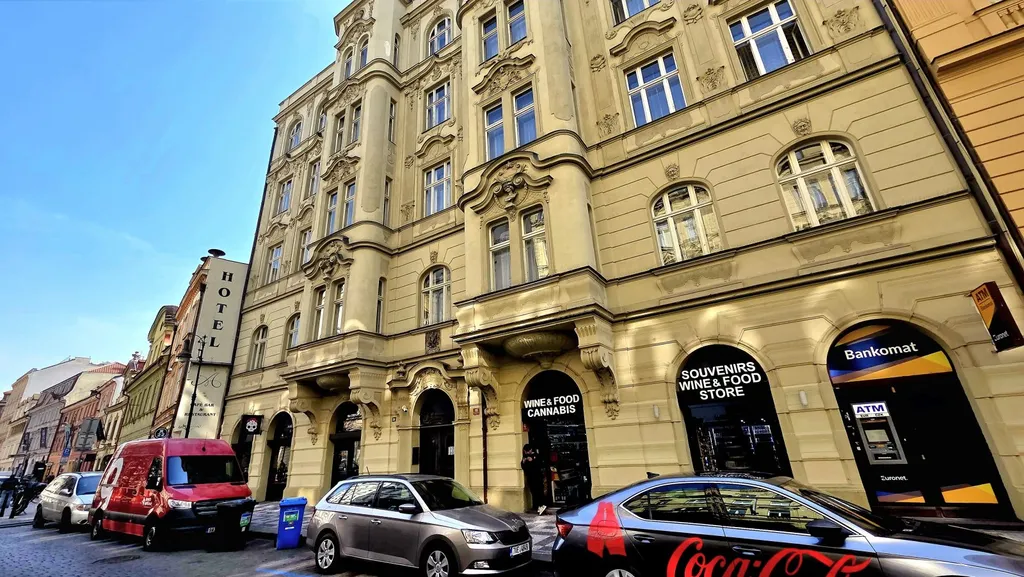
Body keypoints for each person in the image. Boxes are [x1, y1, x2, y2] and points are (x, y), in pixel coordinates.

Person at [521, 444, 546, 514]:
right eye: (525, 451)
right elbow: (524, 467)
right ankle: (537, 508)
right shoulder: (525, 456)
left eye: (527, 451)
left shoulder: (536, 456)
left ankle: (541, 508)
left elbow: (540, 465)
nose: (526, 453)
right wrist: (523, 462)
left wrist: (533, 461)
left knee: (539, 493)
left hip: (538, 477)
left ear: (531, 450)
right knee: (534, 493)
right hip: (530, 478)